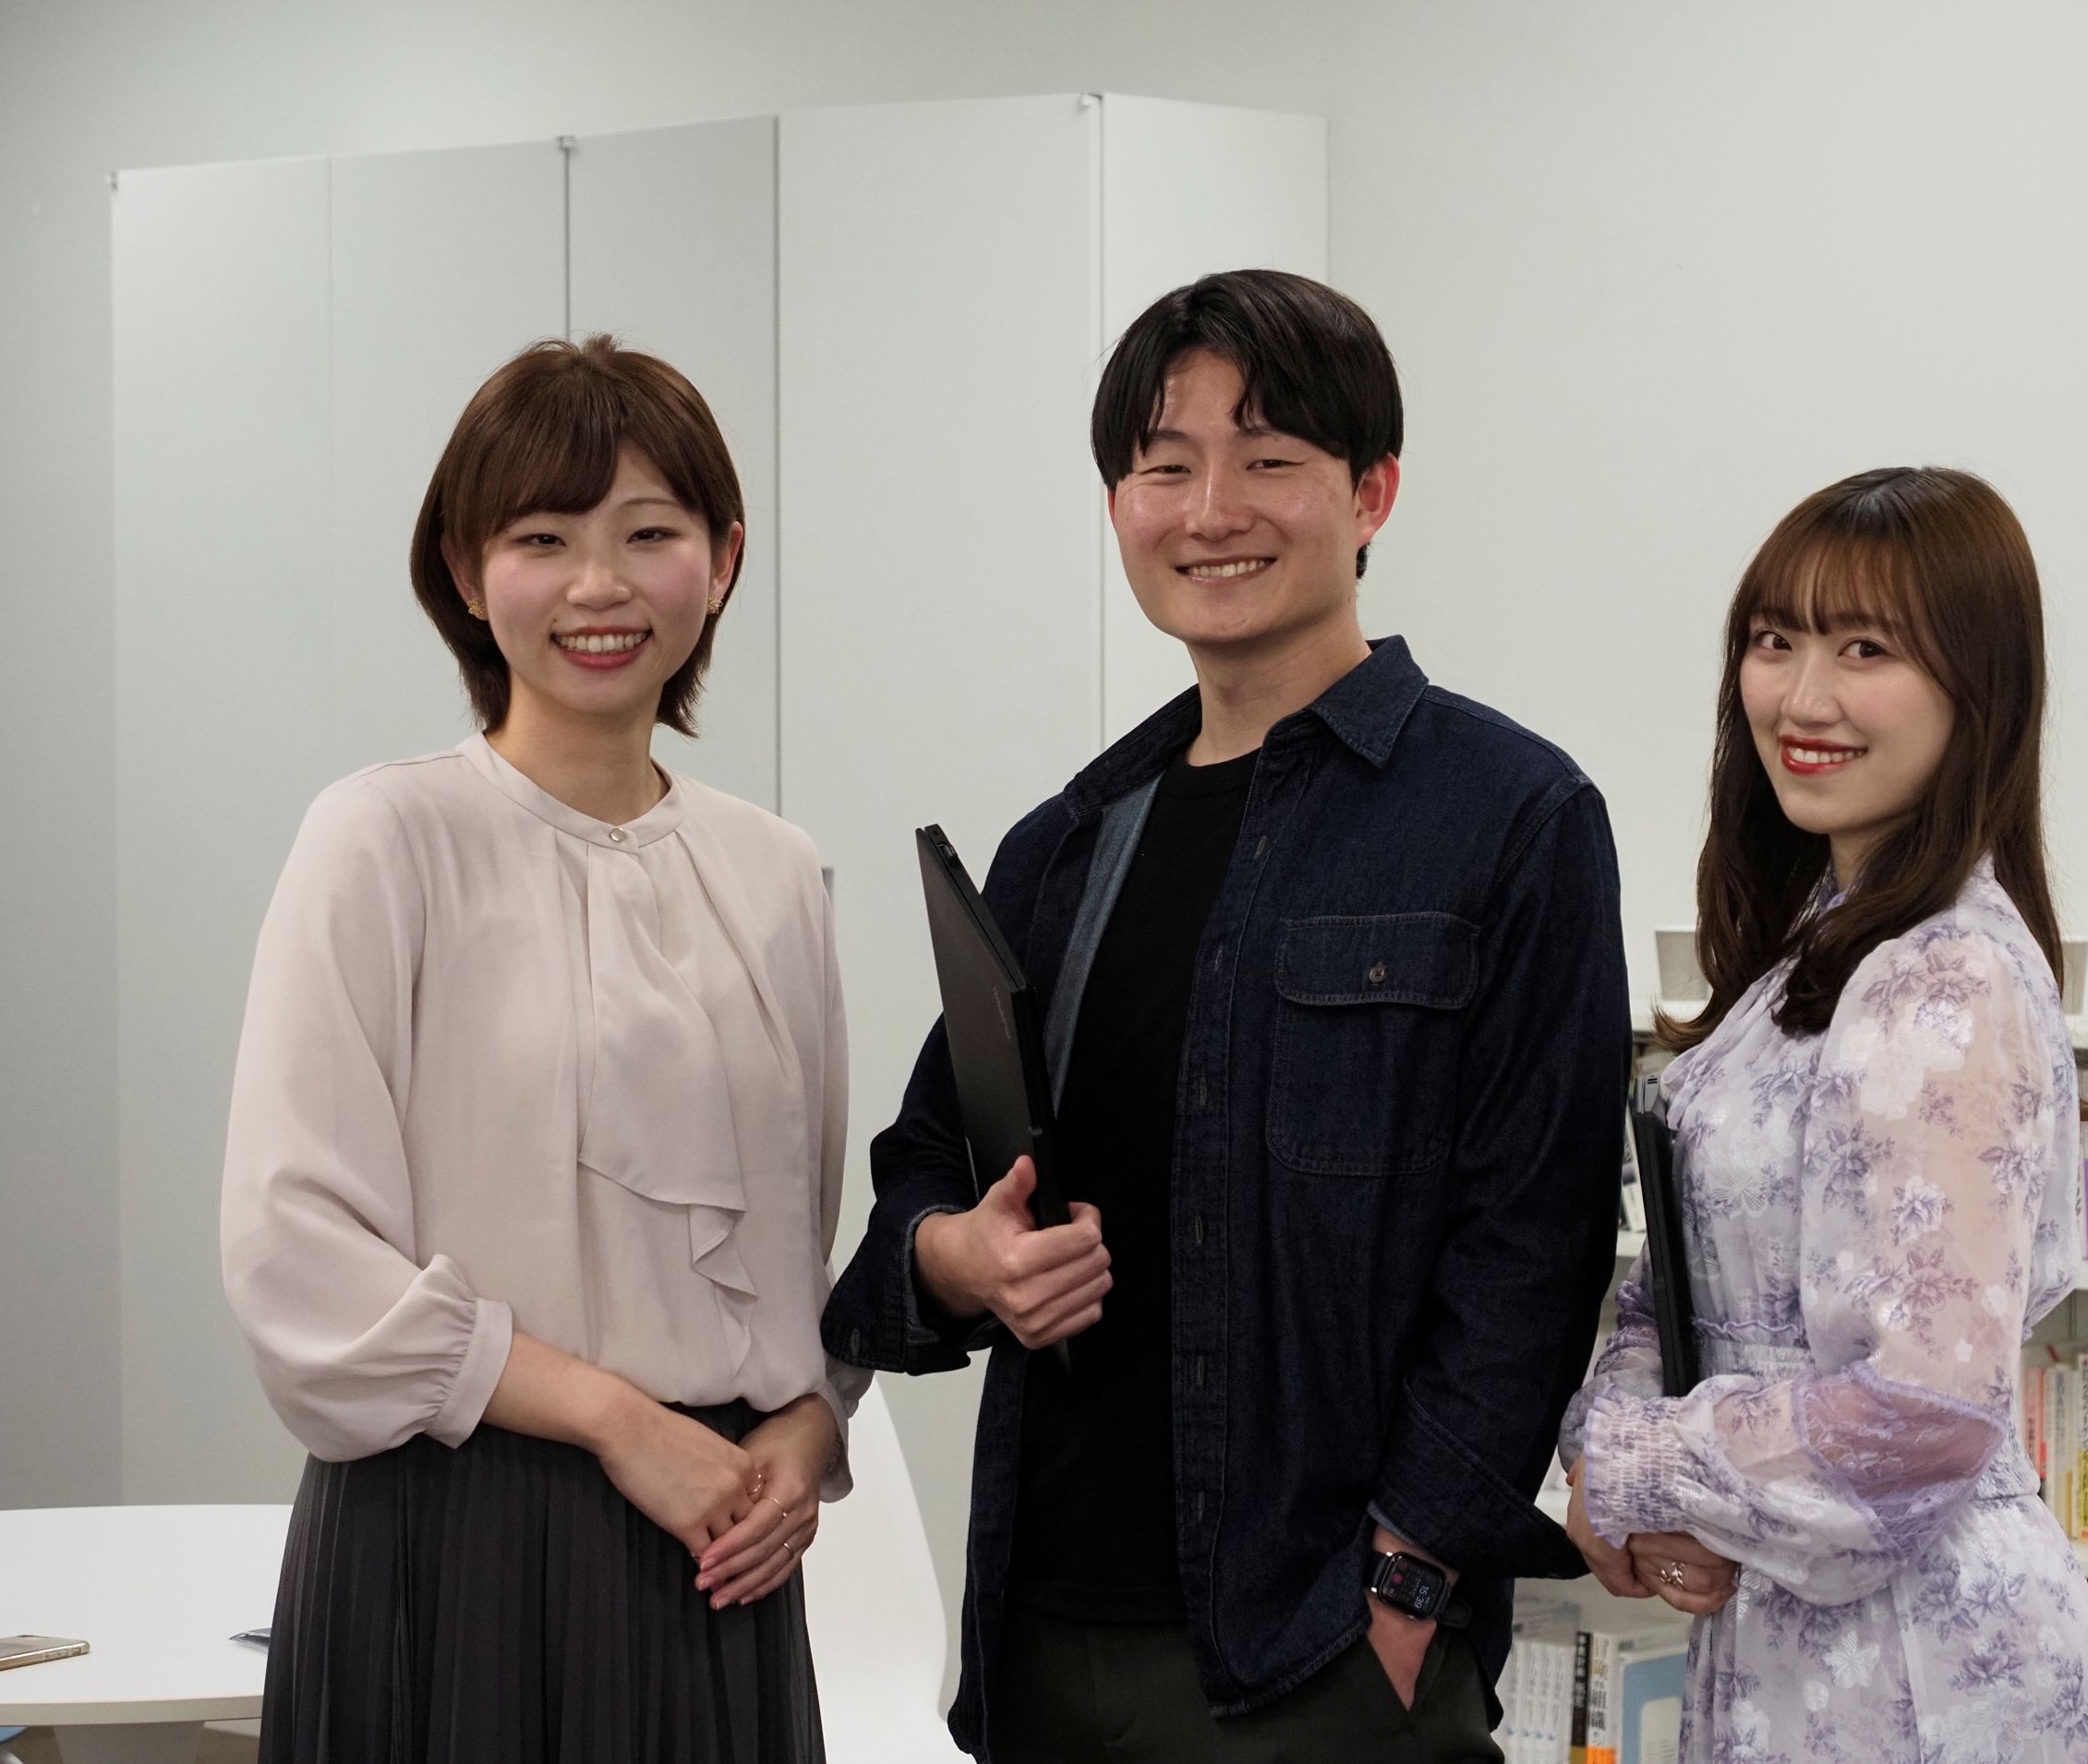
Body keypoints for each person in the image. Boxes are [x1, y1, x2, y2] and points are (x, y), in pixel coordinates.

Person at [823, 271, 1629, 1761]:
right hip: (1041, 1633)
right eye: (1164, 465)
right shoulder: (1067, 843)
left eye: (1268, 459)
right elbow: (924, 1169)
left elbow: (1535, 1243)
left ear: (1372, 492)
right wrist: (956, 1257)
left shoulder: (1509, 817)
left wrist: (1404, 1590)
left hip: (1318, 1653)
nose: (1210, 511)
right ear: (1117, 503)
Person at [221, 336, 867, 1764]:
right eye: (543, 539)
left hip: (715, 1548)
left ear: (724, 560)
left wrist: (807, 1429)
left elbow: (793, 1249)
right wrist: (615, 1419)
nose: (599, 585)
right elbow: (293, 1256)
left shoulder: (774, 872)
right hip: (450, 1534)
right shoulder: (382, 837)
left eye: (650, 534)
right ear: (466, 569)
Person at [1561, 467, 2088, 1764]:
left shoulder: (1945, 975)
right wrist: (1613, 1450)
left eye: (1866, 650)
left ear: (1980, 689)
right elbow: (1686, 1292)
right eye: (1776, 641)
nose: (1803, 699)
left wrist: (1634, 1465)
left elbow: (1919, 1418)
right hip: (1797, 1648)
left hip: (1928, 1676)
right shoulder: (1819, 946)